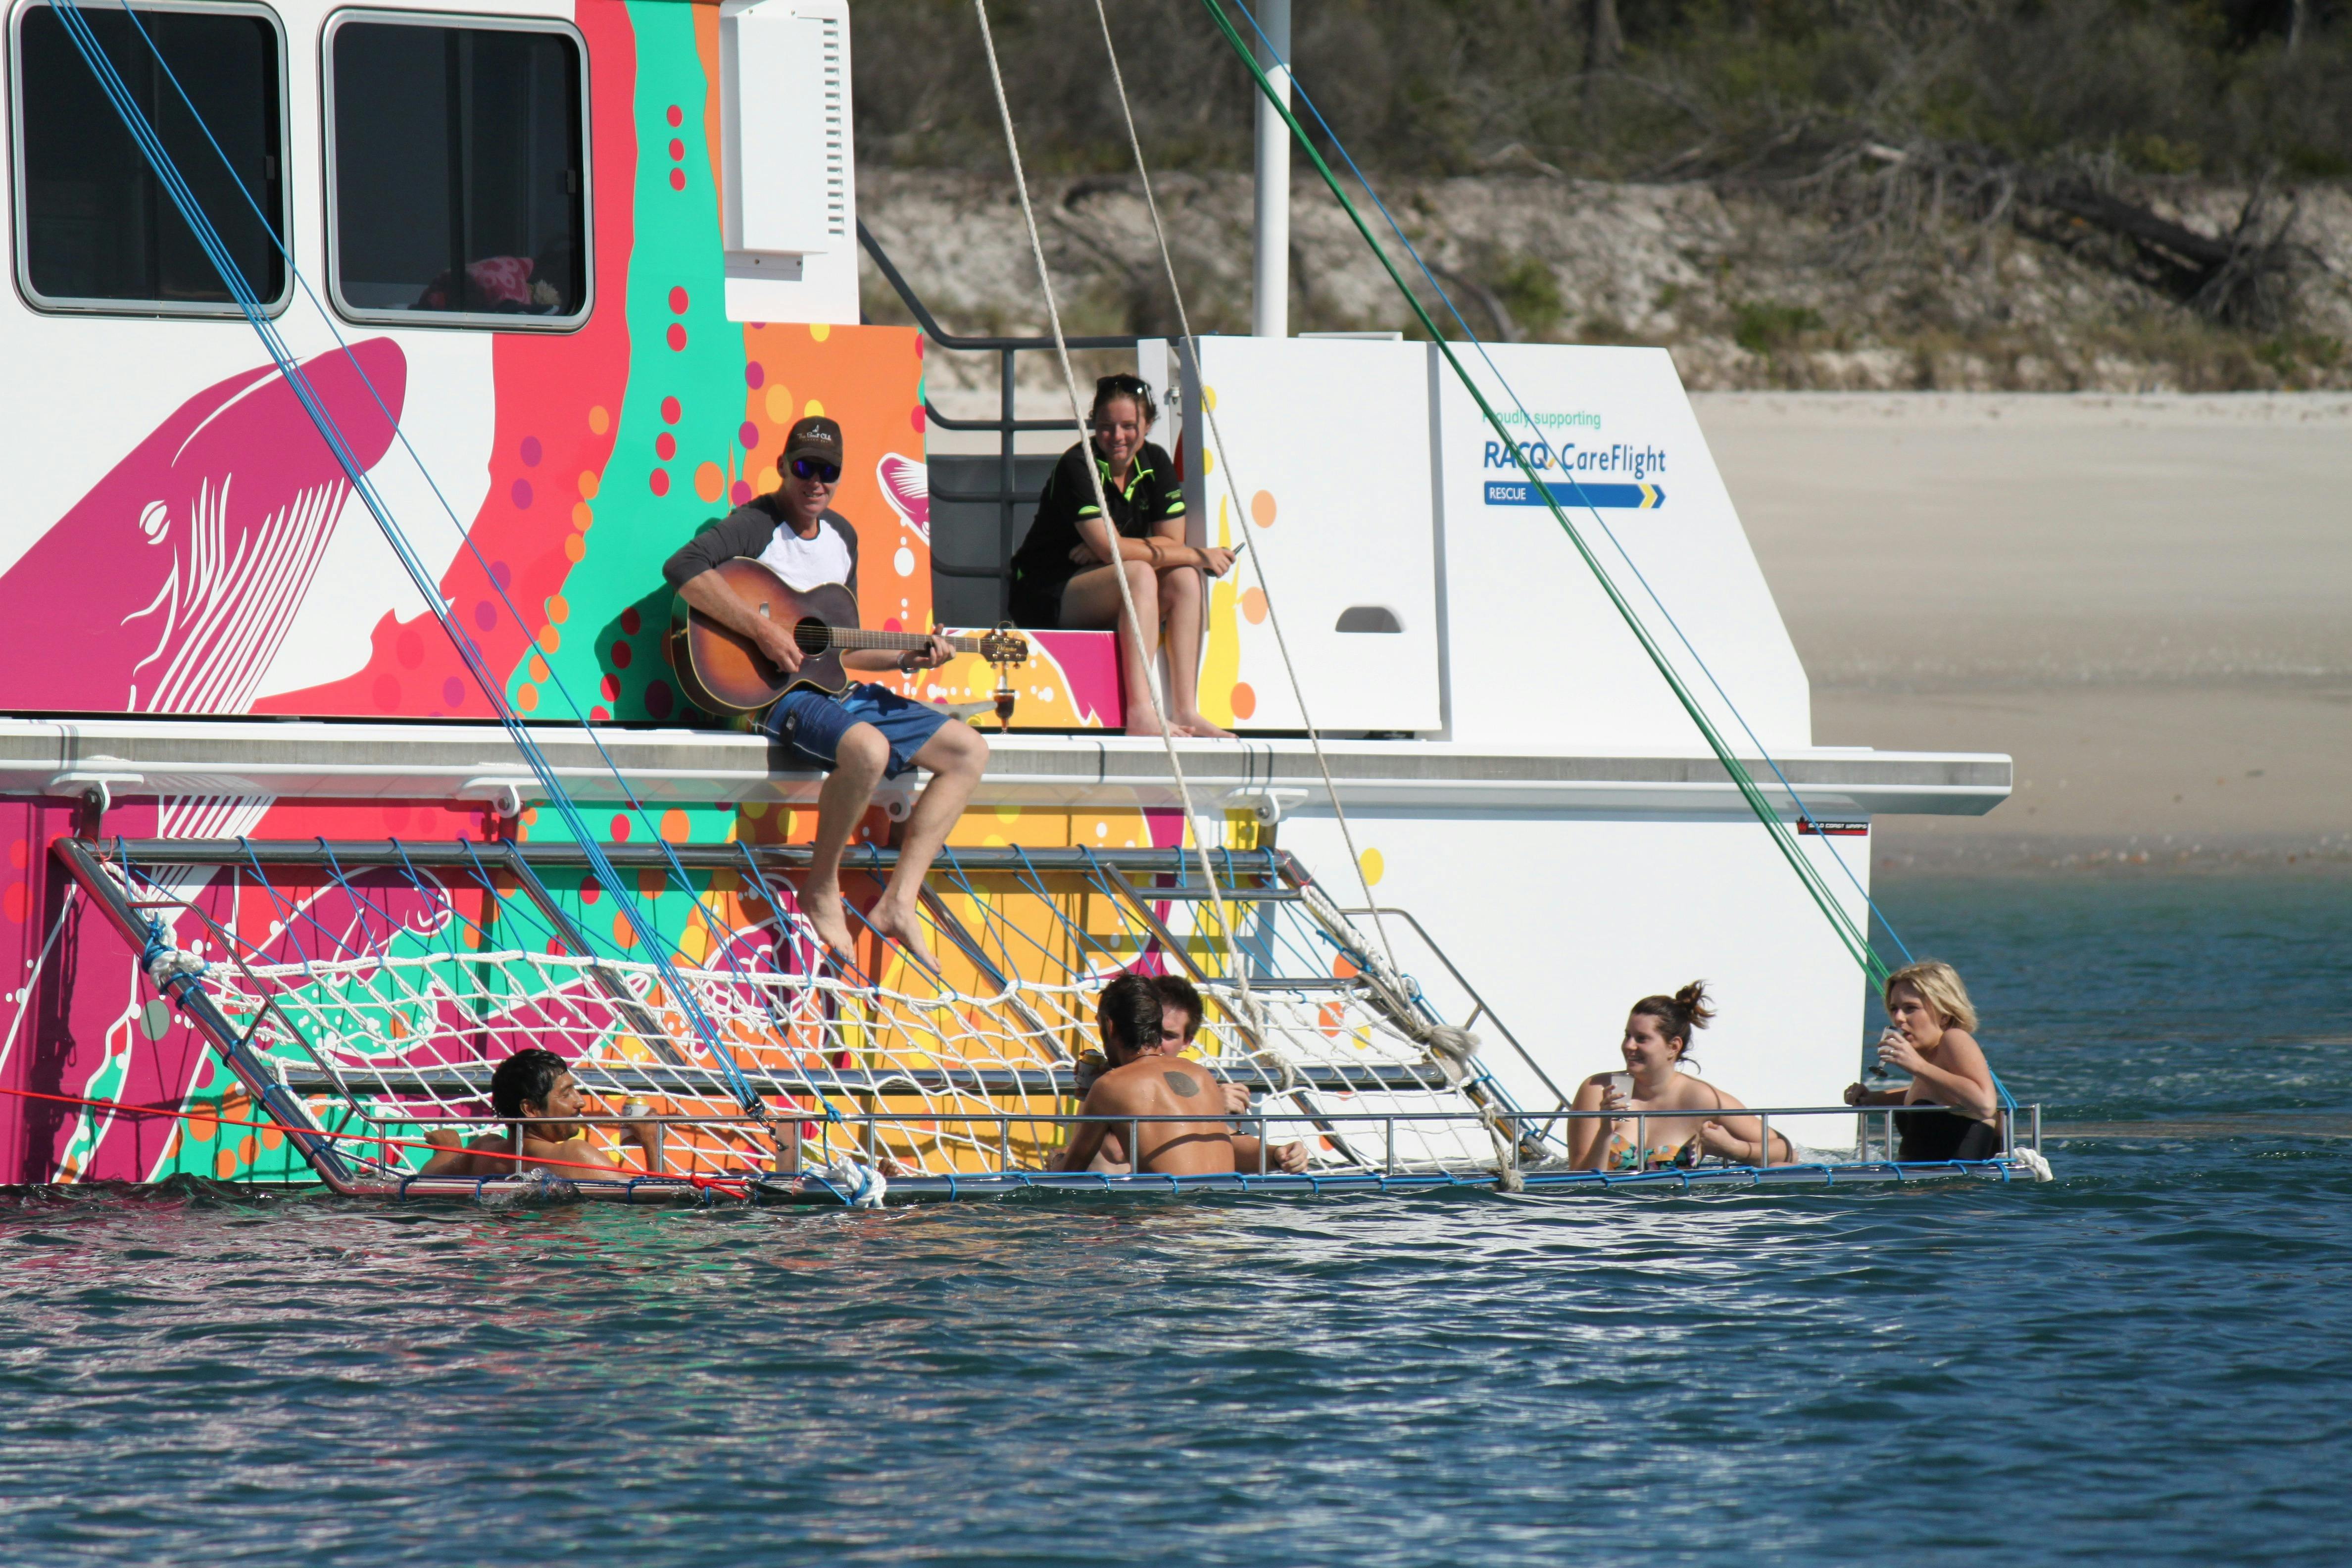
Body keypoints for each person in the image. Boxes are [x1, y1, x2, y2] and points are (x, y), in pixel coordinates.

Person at [665, 416, 990, 972]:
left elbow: (841, 647)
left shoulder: (843, 537)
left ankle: (900, 899)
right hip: (774, 694)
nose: (816, 481)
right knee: (868, 750)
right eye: (805, 467)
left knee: (969, 751)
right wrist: (762, 631)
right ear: (782, 467)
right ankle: (821, 886)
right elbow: (683, 568)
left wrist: (909, 657)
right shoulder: (756, 524)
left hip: (831, 690)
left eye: (829, 471)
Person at [1006, 373, 1236, 738]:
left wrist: (1113, 550)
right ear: (1093, 424)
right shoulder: (1077, 465)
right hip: (1045, 591)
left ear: (1148, 424)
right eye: (1106, 426)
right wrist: (1195, 554)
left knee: (1184, 578)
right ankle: (1141, 712)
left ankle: (1187, 710)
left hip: (1102, 583)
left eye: (1129, 426)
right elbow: (1115, 548)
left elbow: (1169, 542)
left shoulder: (1155, 460)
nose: (1118, 436)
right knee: (1141, 573)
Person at [1050, 973, 1309, 1175]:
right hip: (1220, 1216)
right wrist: (1277, 1154)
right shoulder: (1202, 1076)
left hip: (1164, 1218)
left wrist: (1057, 1160)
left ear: (1109, 1025)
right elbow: (1220, 1141)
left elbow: (1072, 1173)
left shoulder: (1111, 1085)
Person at [1565, 982, 1809, 1170]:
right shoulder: (1599, 1090)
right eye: (1627, 1036)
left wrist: (1733, 1148)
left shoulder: (1700, 1098)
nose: (1629, 1046)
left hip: (1676, 1217)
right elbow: (1580, 1178)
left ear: (1673, 1047)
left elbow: (1786, 1152)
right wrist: (1605, 1130)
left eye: (1642, 1039)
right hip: (1611, 1215)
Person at [418, 1048, 664, 1178]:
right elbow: (653, 1207)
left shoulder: (482, 1152)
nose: (580, 1102)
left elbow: (428, 1177)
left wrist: (450, 1150)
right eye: (566, 1094)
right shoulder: (574, 1155)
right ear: (531, 1109)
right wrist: (652, 1141)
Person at [1845, 959, 2001, 1162]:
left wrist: (1918, 1066)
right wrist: (1872, 1099)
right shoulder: (1930, 1058)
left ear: (1944, 1015)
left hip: (1951, 1182)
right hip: (1916, 1179)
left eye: (1910, 1008)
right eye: (1894, 1009)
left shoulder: (1954, 1039)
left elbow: (1985, 1104)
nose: (1899, 1018)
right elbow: (1934, 1095)